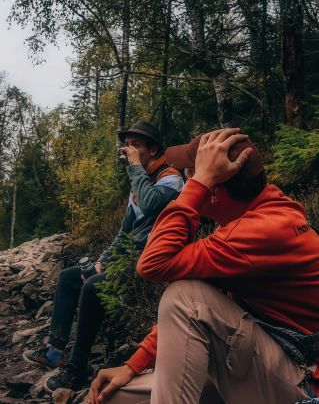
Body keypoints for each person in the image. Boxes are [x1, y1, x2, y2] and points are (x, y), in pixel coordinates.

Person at [88, 128, 319, 404]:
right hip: (275, 363)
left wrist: (200, 184)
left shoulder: (263, 229)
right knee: (114, 398)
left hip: (303, 383)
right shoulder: (257, 216)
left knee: (184, 295)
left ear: (214, 190)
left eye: (192, 174)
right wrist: (132, 365)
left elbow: (153, 263)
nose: (188, 183)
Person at [23, 120, 184, 393]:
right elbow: (124, 233)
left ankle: (77, 369)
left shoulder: (171, 178)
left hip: (153, 263)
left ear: (154, 150)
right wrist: (103, 261)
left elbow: (152, 203)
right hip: (128, 259)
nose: (129, 150)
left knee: (94, 287)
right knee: (70, 277)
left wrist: (134, 168)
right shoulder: (138, 183)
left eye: (136, 146)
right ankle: (55, 351)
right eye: (128, 145)